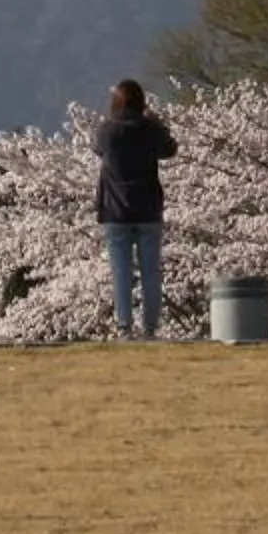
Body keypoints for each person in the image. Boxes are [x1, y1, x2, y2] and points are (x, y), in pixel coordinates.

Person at [94, 79, 179, 339]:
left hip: (116, 211)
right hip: (148, 209)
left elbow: (97, 149)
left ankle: (124, 326)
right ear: (142, 103)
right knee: (150, 270)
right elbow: (170, 149)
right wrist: (157, 123)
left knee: (121, 271)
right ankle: (151, 328)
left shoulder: (106, 131)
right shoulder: (149, 130)